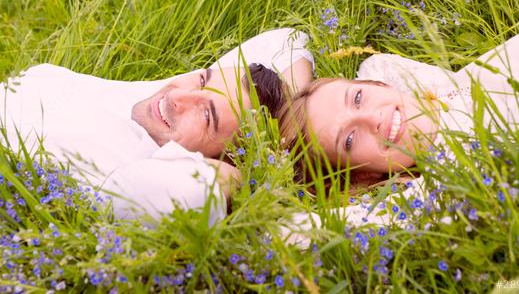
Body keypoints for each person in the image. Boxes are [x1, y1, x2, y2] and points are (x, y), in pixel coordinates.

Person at [1, 28, 314, 223]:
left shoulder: (130, 174)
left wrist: (249, 172)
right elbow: (287, 39)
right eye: (204, 77)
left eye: (206, 116)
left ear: (216, 158)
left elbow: (193, 190)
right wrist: (290, 114)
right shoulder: (166, 97)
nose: (180, 96)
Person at [279, 26, 519, 229]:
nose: (373, 118)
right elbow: (295, 233)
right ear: (363, 177)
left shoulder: (431, 85)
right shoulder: (447, 182)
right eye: (349, 139)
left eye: (358, 98)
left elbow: (375, 65)